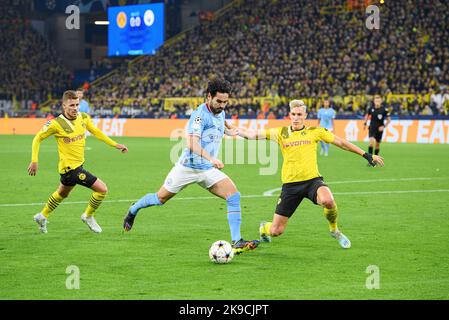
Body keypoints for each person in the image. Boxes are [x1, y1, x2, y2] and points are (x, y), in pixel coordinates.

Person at [122, 78, 259, 254]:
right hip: (188, 168)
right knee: (160, 199)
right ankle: (133, 209)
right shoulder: (199, 116)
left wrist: (233, 131)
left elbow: (224, 125)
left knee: (233, 196)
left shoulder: (221, 112)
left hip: (207, 170)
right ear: (209, 97)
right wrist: (212, 159)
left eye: (226, 102)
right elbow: (192, 144)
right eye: (219, 101)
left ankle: (237, 241)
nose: (223, 105)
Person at [235, 100, 384, 249]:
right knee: (276, 231)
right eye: (293, 114)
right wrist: (230, 129)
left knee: (328, 201)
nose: (296, 117)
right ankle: (264, 228)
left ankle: (334, 230)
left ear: (305, 115)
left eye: (299, 114)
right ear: (289, 115)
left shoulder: (315, 131)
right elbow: (251, 134)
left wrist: (366, 155)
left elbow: (341, 142)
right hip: (291, 186)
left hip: (313, 181)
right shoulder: (281, 132)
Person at [28, 90, 128, 234]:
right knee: (102, 189)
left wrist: (114, 144)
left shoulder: (83, 117)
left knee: (62, 194)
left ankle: (42, 216)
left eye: (77, 105)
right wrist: (34, 161)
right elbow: (37, 138)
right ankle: (88, 216)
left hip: (75, 166)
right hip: (71, 169)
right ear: (64, 106)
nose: (75, 108)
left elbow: (96, 132)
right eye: (71, 105)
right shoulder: (56, 124)